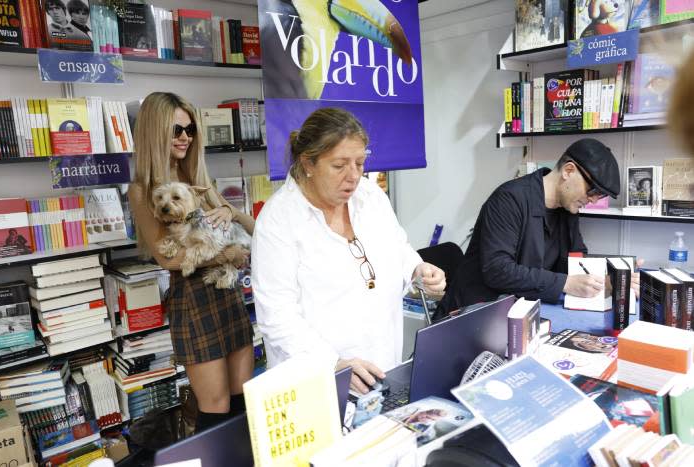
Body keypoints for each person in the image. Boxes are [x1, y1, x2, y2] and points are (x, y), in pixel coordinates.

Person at [251, 107, 446, 394]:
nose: (353, 176)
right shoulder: (279, 220)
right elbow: (277, 317)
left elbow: (399, 249)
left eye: (360, 162)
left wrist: (419, 271)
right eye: (340, 165)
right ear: (308, 163)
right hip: (316, 384)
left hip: (381, 369)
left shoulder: (370, 197)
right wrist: (333, 364)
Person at [128, 92, 255, 433]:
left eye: (190, 129)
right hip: (194, 300)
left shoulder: (199, 178)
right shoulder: (142, 190)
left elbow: (249, 231)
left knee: (244, 402)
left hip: (227, 294)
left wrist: (231, 211)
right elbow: (169, 258)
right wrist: (226, 254)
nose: (185, 137)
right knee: (215, 410)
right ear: (155, 133)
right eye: (176, 130)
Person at [439, 138, 640, 314]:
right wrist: (565, 283)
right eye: (592, 191)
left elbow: (575, 260)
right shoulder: (509, 199)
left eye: (600, 196)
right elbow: (498, 270)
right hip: (474, 314)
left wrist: (614, 276)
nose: (594, 200)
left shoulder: (567, 209)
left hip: (522, 311)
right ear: (569, 171)